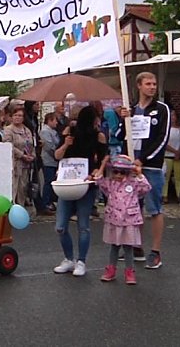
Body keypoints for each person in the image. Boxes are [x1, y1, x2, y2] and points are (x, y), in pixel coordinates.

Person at [120, 71, 170, 270]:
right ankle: (136, 246)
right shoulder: (131, 109)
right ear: (139, 85)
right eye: (148, 84)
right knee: (134, 208)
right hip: (131, 167)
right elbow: (122, 136)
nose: (152, 87)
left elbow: (162, 139)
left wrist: (143, 159)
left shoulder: (161, 109)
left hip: (150, 167)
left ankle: (155, 251)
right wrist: (123, 120)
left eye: (154, 84)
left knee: (154, 208)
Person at [52, 107, 108, 277]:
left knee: (84, 226)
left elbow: (104, 156)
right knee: (60, 226)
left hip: (85, 181)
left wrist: (98, 171)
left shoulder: (99, 135)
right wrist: (66, 143)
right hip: (67, 181)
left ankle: (81, 261)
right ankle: (69, 259)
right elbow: (57, 155)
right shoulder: (69, 132)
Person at [97, 155, 151, 285]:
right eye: (115, 171)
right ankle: (111, 269)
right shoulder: (110, 183)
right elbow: (98, 180)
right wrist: (103, 164)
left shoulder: (133, 183)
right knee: (114, 246)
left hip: (129, 221)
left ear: (127, 172)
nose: (118, 175)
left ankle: (129, 271)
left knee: (128, 247)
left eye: (122, 172)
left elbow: (146, 188)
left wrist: (139, 174)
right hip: (114, 220)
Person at [2, 106, 35, 207]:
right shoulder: (8, 130)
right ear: (11, 117)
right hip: (14, 163)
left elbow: (31, 144)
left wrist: (32, 155)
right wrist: (21, 155)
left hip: (26, 165)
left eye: (20, 115)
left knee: (23, 189)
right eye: (15, 115)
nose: (18, 117)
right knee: (14, 187)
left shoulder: (27, 130)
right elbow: (8, 145)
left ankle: (21, 208)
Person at [37, 112, 60, 216]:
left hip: (54, 160)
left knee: (52, 181)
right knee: (48, 181)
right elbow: (49, 146)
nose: (57, 122)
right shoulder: (45, 131)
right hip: (49, 160)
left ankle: (50, 201)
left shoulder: (53, 131)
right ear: (50, 120)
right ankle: (45, 203)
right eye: (55, 120)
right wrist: (56, 154)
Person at [162, 111, 180, 204]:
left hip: (178, 156)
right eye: (171, 116)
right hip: (168, 155)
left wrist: (179, 152)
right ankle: (164, 195)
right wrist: (175, 151)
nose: (173, 117)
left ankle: (179, 195)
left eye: (174, 115)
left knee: (179, 177)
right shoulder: (165, 129)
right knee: (166, 177)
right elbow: (164, 143)